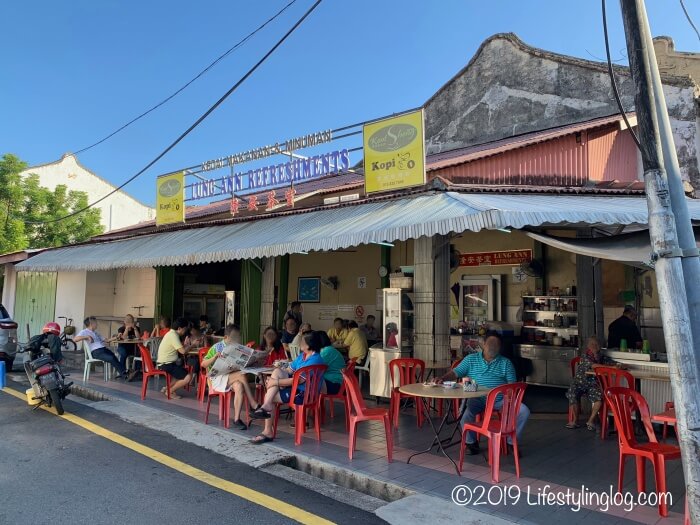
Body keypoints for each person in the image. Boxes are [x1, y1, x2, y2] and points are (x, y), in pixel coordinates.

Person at [436, 332, 530, 456]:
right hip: (476, 398)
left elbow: (512, 386)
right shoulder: (471, 359)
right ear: (483, 344)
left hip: (499, 401)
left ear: (500, 347)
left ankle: (511, 442)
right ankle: (471, 443)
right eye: (490, 344)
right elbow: (456, 372)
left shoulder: (506, 363)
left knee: (524, 411)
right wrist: (442, 378)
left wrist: (508, 399)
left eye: (495, 345)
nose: (492, 347)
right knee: (464, 414)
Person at [249, 331, 326, 443]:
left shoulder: (315, 359)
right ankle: (266, 407)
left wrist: (275, 382)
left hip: (304, 394)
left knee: (270, 396)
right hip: (297, 389)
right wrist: (277, 374)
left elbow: (298, 380)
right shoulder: (303, 356)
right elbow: (290, 370)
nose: (300, 343)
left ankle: (267, 430)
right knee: (277, 372)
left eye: (302, 341)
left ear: (309, 345)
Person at [201, 324, 260, 430]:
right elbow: (203, 364)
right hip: (216, 379)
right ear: (226, 337)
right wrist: (214, 357)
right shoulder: (217, 347)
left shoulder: (237, 348)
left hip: (230, 377)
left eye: (238, 337)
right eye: (234, 337)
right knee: (241, 376)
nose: (236, 339)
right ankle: (253, 403)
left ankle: (237, 419)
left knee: (239, 386)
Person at [566, 337, 614, 431]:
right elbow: (594, 365)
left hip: (592, 384)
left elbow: (610, 362)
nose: (594, 346)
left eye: (596, 344)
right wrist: (610, 367)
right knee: (572, 393)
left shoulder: (601, 356)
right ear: (588, 346)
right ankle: (575, 420)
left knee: (599, 398)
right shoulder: (585, 356)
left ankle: (590, 421)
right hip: (579, 382)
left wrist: (617, 365)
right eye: (592, 344)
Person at [155, 317, 192, 399]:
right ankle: (170, 391)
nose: (185, 331)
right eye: (185, 329)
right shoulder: (173, 335)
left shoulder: (171, 334)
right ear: (179, 328)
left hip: (165, 362)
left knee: (179, 373)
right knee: (188, 377)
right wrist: (192, 345)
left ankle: (166, 388)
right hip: (166, 364)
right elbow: (182, 351)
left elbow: (179, 348)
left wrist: (186, 346)